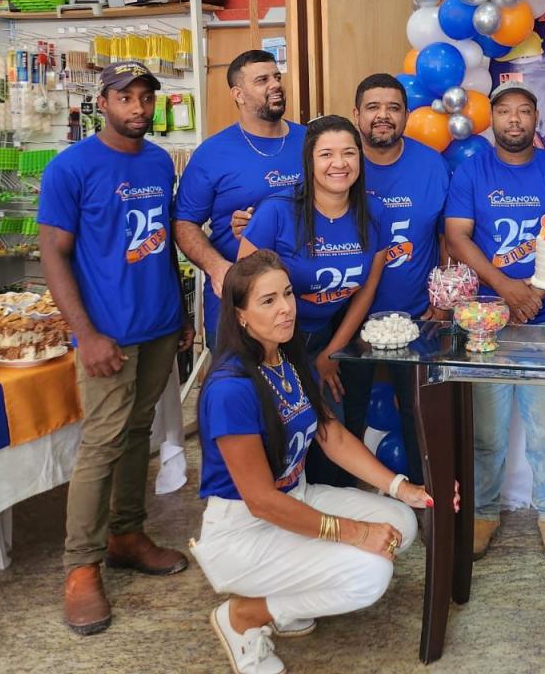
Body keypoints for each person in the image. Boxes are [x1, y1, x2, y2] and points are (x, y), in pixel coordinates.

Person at [191, 250, 438, 674]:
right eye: (268, 301)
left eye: (287, 294)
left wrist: (402, 488)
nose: (286, 308)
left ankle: (284, 599)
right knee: (370, 573)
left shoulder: (285, 356)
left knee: (401, 522)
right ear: (240, 315)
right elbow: (262, 502)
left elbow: (331, 435)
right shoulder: (231, 388)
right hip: (245, 529)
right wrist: (356, 532)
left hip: (297, 497)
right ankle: (245, 616)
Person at [38, 61, 194, 635]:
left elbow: (161, 242)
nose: (137, 107)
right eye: (125, 97)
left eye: (146, 97)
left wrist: (180, 313)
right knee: (102, 442)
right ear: (101, 102)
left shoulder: (157, 161)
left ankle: (126, 534)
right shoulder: (70, 168)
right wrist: (85, 333)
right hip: (108, 332)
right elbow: (53, 253)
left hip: (159, 325)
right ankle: (80, 566)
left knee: (138, 431)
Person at [445, 82, 545, 563]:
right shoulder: (472, 171)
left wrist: (532, 293)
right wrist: (506, 289)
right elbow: (457, 236)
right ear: (492, 120)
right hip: (484, 321)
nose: (514, 119)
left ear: (537, 119)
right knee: (487, 431)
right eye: (505, 111)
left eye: (524, 111)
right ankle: (483, 513)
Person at [238, 115, 387, 487]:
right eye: (326, 154)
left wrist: (331, 353)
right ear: (309, 160)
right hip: (269, 346)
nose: (339, 163)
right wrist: (273, 362)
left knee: (330, 445)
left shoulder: (374, 212)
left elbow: (367, 288)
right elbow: (242, 290)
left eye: (348, 153)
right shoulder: (277, 211)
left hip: (324, 340)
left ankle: (329, 515)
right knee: (276, 447)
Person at [349, 72, 450, 483]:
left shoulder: (431, 164)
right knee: (345, 413)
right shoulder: (340, 163)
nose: (383, 116)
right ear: (356, 114)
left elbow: (447, 239)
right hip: (346, 320)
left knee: (420, 416)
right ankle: (339, 498)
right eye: (373, 107)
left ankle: (426, 500)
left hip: (417, 319)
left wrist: (442, 301)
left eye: (393, 107)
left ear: (407, 114)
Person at [175, 50, 305, 350]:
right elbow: (184, 223)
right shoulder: (212, 153)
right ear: (238, 94)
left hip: (300, 300)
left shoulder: (310, 141)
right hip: (238, 302)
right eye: (262, 80)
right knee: (237, 377)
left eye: (277, 77)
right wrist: (217, 267)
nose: (275, 84)